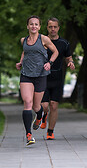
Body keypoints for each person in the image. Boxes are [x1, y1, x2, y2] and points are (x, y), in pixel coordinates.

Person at [16, 15, 58, 146]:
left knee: (36, 106)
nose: (33, 26)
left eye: (36, 24)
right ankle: (29, 135)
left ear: (39, 27)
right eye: (31, 24)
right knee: (27, 102)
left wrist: (50, 63)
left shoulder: (44, 39)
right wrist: (21, 62)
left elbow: (55, 52)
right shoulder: (23, 40)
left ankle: (39, 116)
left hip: (40, 75)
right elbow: (25, 52)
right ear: (27, 26)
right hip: (26, 75)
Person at [32, 17, 75, 140]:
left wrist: (70, 62)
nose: (53, 29)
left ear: (58, 28)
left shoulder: (64, 43)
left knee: (54, 105)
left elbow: (68, 57)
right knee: (45, 106)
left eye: (55, 27)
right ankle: (44, 115)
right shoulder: (41, 41)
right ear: (47, 28)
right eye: (50, 27)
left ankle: (50, 131)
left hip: (57, 77)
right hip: (43, 78)